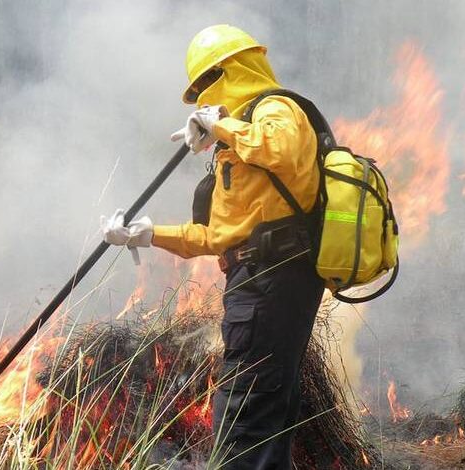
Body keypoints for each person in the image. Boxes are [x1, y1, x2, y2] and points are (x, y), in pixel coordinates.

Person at [101, 24, 324, 469]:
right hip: (256, 280)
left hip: (272, 280)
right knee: (261, 412)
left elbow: (279, 149)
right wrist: (147, 233)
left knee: (243, 413)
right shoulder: (237, 143)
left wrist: (221, 124)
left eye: (208, 82)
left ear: (234, 68)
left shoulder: (276, 109)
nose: (203, 97)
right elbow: (218, 237)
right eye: (199, 91)